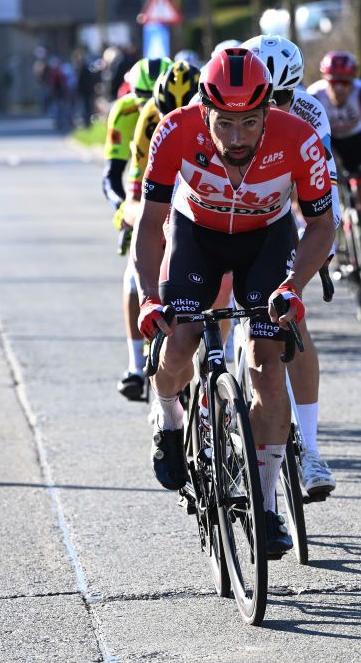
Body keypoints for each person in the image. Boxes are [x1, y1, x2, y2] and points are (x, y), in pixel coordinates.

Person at [133, 48, 335, 557]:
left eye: (250, 123)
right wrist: (148, 298)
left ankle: (266, 507)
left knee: (268, 368)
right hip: (196, 234)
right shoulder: (174, 131)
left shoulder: (298, 138)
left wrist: (293, 286)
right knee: (178, 343)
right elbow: (150, 224)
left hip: (266, 241)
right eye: (225, 124)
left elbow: (320, 226)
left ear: (269, 111)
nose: (238, 138)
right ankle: (170, 422)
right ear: (205, 113)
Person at [242, 34, 338, 497]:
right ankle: (211, 408)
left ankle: (312, 451)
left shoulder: (309, 113)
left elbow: (324, 188)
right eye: (266, 97)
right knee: (214, 308)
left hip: (280, 218)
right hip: (225, 222)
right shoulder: (231, 112)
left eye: (283, 97)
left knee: (292, 324)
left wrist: (323, 242)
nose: (274, 107)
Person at [101, 57, 173, 400]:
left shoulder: (177, 107)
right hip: (139, 189)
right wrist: (123, 209)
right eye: (141, 95)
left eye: (153, 97)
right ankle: (134, 366)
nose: (148, 104)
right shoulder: (126, 112)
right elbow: (112, 174)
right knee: (134, 276)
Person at [307, 51, 361, 303]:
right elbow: (310, 140)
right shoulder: (314, 97)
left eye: (346, 82)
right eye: (335, 81)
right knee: (328, 203)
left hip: (356, 145)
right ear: (326, 80)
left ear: (353, 81)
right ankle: (339, 248)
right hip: (328, 145)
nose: (341, 87)